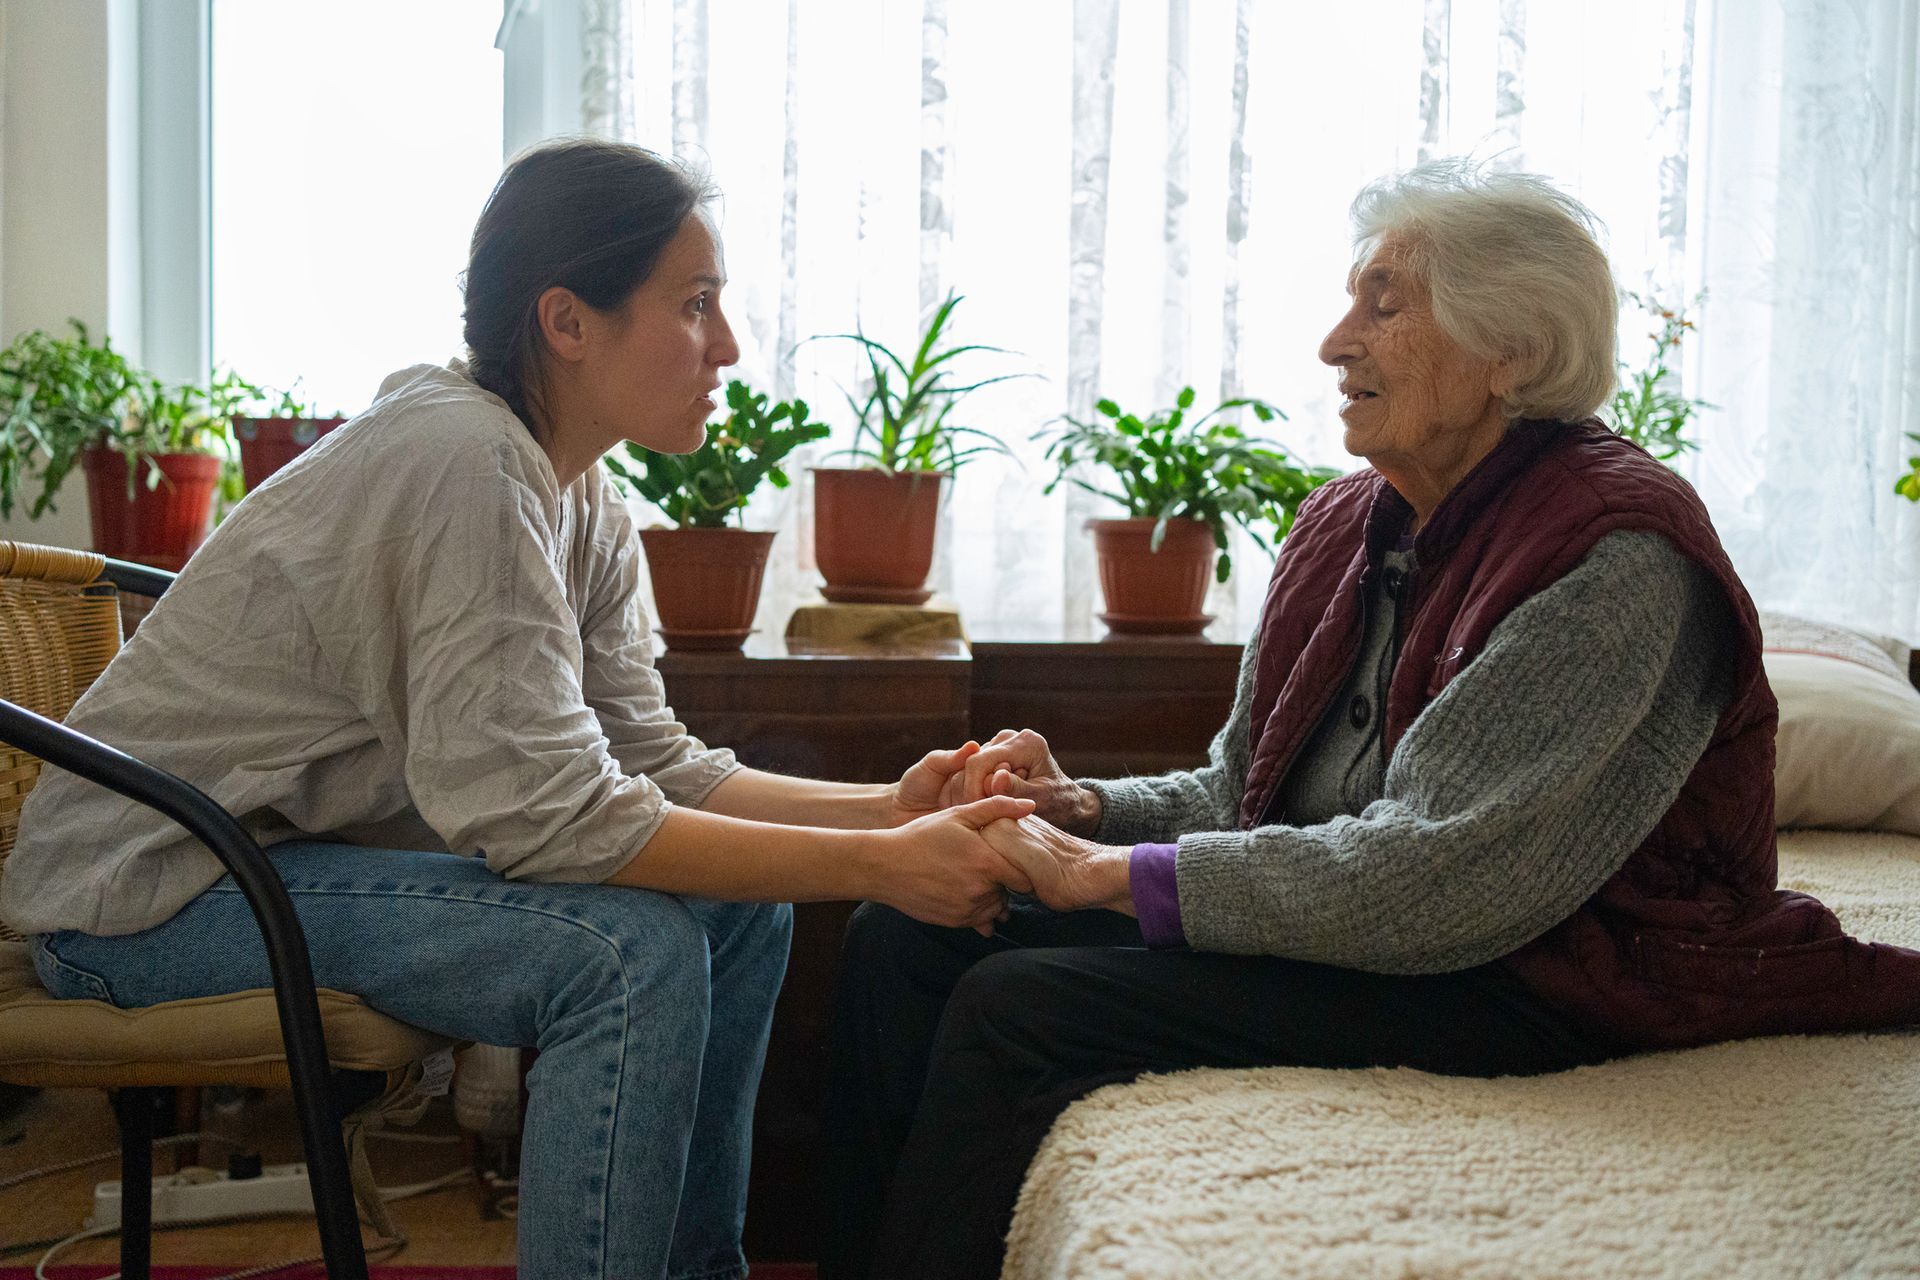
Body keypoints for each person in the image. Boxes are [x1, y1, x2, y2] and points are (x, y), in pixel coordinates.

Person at [821, 159, 1920, 1280]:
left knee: (1020, 1006)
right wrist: (1080, 808)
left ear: (1516, 353)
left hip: (1544, 970)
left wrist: (1100, 873)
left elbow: (1443, 878)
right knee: (908, 931)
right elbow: (1242, 792)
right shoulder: (1349, 522)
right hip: (1386, 925)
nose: (1335, 342)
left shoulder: (1616, 555)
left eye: (1384, 305)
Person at [0, 138, 1038, 1280]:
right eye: (695, 305)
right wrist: (881, 866)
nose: (728, 346)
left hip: (265, 862)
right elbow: (556, 823)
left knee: (744, 910)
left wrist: (886, 810)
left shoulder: (573, 488)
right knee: (622, 951)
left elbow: (650, 762)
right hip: (146, 899)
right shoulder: (462, 463)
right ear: (567, 320)